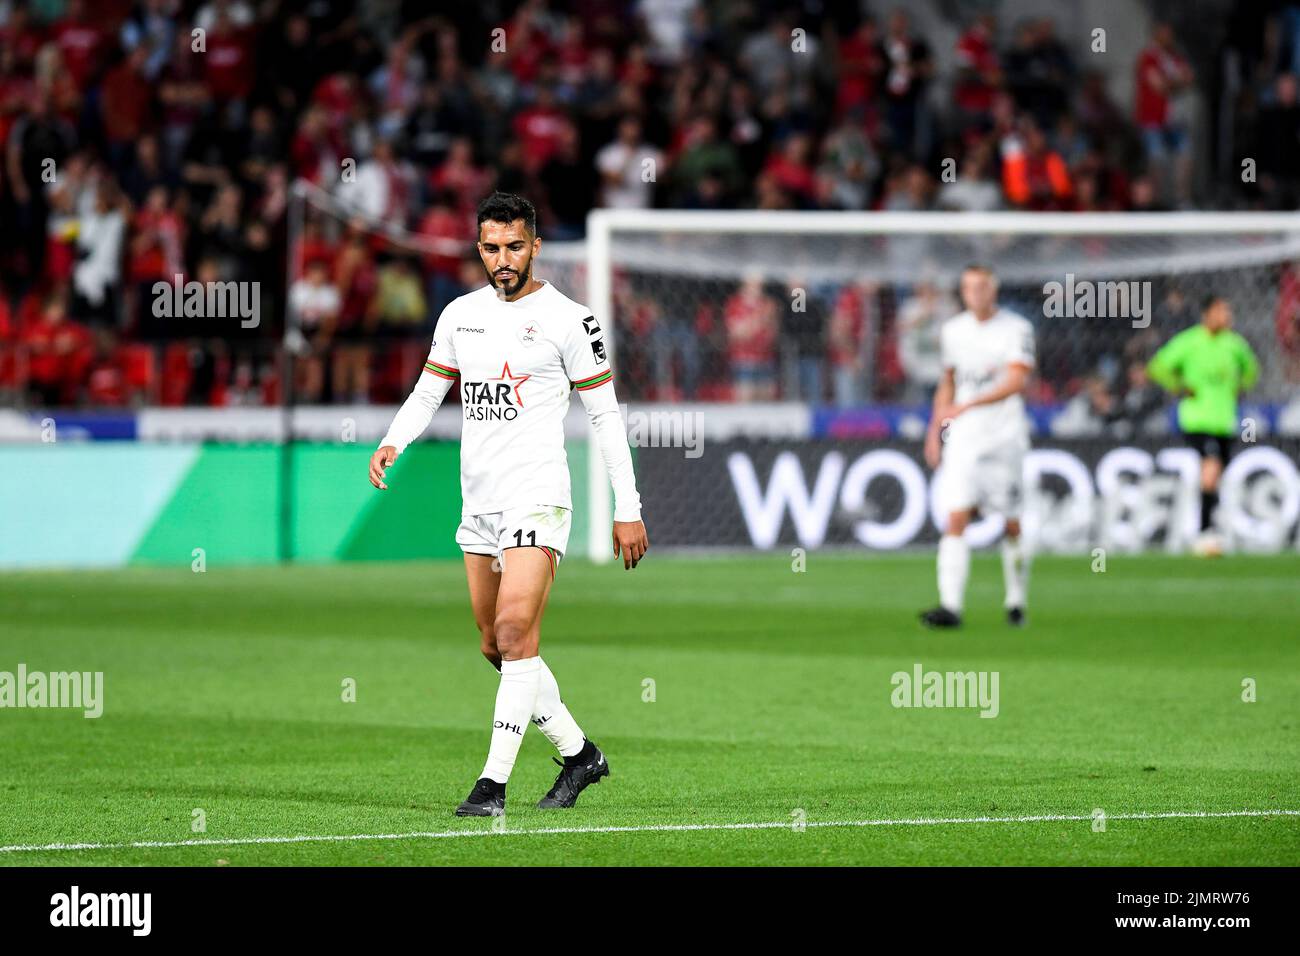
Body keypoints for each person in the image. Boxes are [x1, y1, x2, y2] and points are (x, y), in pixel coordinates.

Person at [369, 192, 648, 816]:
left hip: (539, 497)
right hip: (482, 504)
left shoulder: (571, 320)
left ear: (536, 246)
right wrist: (393, 441)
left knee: (516, 631)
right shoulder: (459, 315)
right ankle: (580, 757)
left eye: (515, 246)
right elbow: (427, 392)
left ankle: (491, 786)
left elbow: (605, 417)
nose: (503, 260)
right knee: (496, 648)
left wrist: (626, 505)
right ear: (478, 249)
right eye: (492, 248)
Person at [920, 265, 1035, 628]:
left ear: (994, 289)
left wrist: (970, 404)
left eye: (982, 286)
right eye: (969, 287)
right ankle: (950, 606)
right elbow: (949, 381)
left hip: (1004, 437)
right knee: (956, 516)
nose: (976, 293)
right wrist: (935, 427)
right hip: (964, 438)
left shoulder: (1017, 329)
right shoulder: (953, 331)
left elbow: (1017, 380)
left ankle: (1016, 600)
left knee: (1011, 522)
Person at [1147, 296, 1260, 556]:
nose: (1227, 316)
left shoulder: (1235, 345)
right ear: (1207, 314)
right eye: (1221, 311)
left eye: (1228, 310)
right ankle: (1204, 533)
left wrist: (1238, 387)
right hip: (1196, 418)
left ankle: (1208, 526)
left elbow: (1252, 371)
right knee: (1210, 468)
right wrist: (1179, 386)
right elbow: (1157, 366)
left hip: (1225, 421)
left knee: (1215, 474)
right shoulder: (1189, 341)